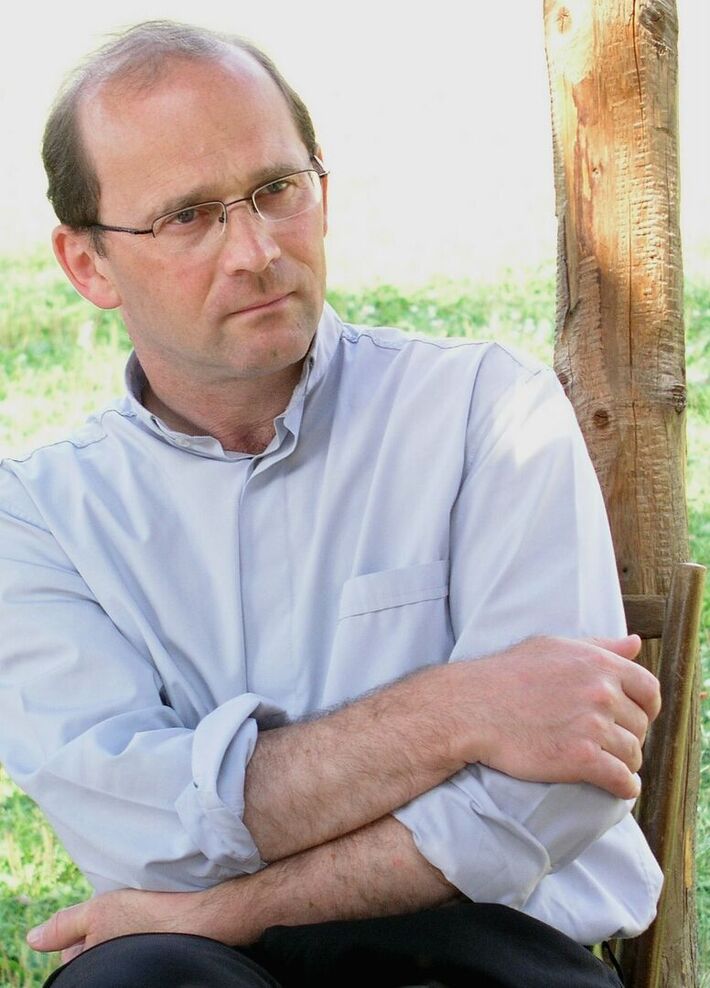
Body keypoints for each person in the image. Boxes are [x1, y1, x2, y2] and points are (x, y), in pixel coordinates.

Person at [0, 20, 663, 988]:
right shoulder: (38, 517)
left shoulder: (483, 411)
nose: (255, 250)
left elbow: (556, 786)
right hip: (188, 969)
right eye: (187, 215)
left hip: (481, 951)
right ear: (88, 264)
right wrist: (454, 710)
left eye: (276, 189)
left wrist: (232, 905)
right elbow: (139, 828)